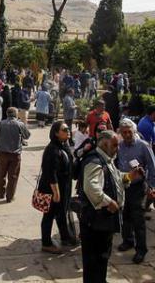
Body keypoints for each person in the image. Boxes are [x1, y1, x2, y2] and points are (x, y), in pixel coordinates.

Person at [78, 130, 141, 283]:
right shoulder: (95, 161)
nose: (117, 149)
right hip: (95, 223)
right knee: (94, 261)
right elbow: (91, 187)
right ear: (104, 144)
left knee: (102, 257)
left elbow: (114, 177)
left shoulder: (106, 160)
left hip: (103, 223)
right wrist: (110, 202)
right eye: (114, 145)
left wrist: (128, 177)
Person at [117, 119, 155, 264]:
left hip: (139, 188)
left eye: (129, 132)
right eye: (124, 132)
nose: (127, 135)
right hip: (124, 186)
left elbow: (152, 167)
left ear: (134, 131)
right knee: (125, 216)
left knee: (138, 219)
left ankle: (141, 250)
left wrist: (152, 186)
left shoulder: (143, 146)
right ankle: (128, 240)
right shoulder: (119, 146)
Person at [38, 121, 75, 254]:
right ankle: (46, 243)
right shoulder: (52, 149)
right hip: (53, 188)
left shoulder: (63, 146)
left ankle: (65, 236)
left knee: (61, 213)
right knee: (49, 215)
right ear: (56, 133)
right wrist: (56, 192)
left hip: (64, 186)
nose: (68, 131)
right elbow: (50, 172)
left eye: (68, 129)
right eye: (64, 129)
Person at [0, 107, 30, 202]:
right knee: (13, 176)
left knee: (1, 174)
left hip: (2, 153)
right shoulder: (19, 124)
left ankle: (1, 193)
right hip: (15, 154)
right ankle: (10, 196)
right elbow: (27, 136)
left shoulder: (1, 124)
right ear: (16, 114)